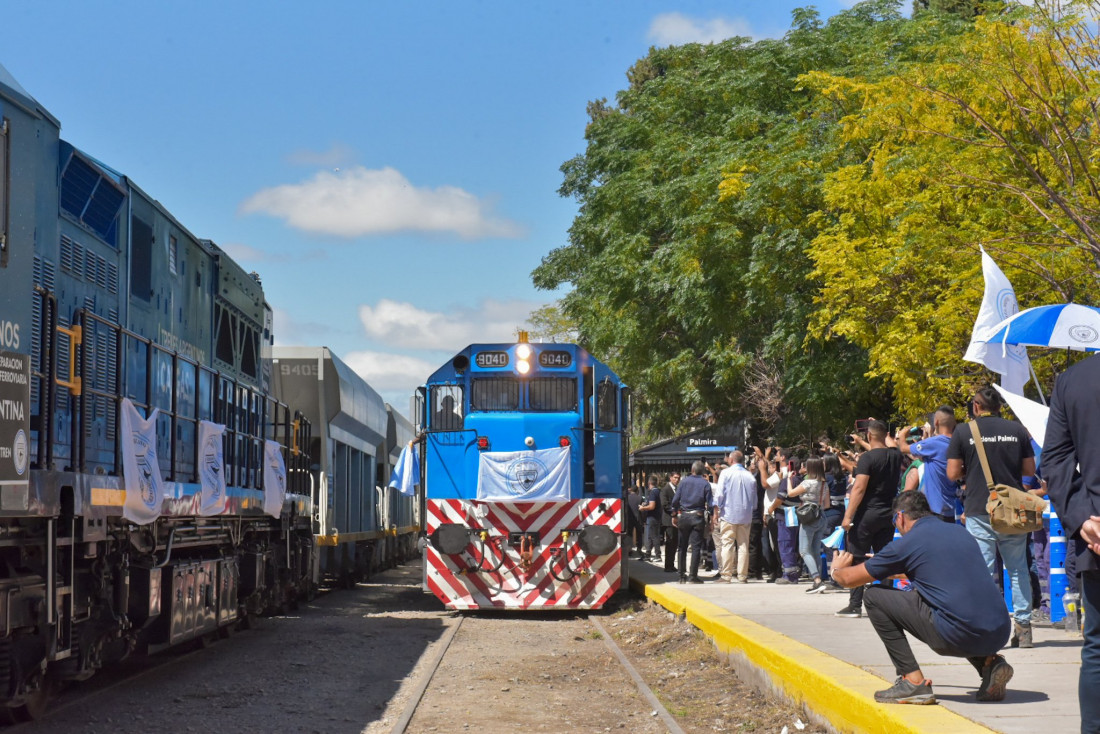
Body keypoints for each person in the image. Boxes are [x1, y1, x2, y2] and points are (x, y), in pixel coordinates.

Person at [831, 491, 1013, 705]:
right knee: (950, 604)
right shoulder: (960, 533)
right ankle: (989, 663)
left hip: (956, 635)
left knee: (873, 596)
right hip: (999, 632)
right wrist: (884, 566)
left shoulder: (907, 543)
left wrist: (836, 569)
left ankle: (913, 681)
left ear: (899, 517)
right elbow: (931, 571)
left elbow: (849, 579)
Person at [947, 386, 1036, 648]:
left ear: (976, 406)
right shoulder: (1016, 430)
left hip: (979, 507)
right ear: (999, 406)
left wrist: (971, 469)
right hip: (1013, 507)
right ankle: (1024, 628)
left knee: (984, 569)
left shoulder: (964, 431)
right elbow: (1029, 469)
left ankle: (985, 626)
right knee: (1018, 568)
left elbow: (952, 473)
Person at [1042, 352, 1100, 732]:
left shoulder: (1074, 380)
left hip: (1095, 532)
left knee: (1097, 650)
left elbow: (1055, 460)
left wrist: (1082, 518)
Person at [837, 420, 901, 617]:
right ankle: (886, 604)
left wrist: (848, 517)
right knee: (885, 557)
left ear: (869, 436)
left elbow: (859, 487)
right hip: (888, 513)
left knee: (856, 556)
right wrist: (879, 428)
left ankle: (855, 604)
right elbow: (890, 444)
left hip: (867, 514)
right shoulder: (896, 455)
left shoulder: (867, 458)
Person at [897, 407, 959, 523]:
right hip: (951, 509)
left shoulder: (934, 443)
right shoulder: (958, 443)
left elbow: (903, 448)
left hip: (935, 511)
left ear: (936, 422)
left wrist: (901, 436)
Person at [714, 451, 756, 583]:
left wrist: (716, 510)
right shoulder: (750, 476)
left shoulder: (726, 473)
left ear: (731, 460)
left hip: (729, 513)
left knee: (727, 544)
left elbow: (719, 494)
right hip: (746, 515)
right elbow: (754, 501)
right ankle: (742, 575)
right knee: (743, 545)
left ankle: (726, 575)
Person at [789, 457, 830, 594]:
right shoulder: (824, 483)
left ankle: (817, 580)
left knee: (804, 550)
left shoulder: (808, 483)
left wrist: (789, 480)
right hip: (821, 516)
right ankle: (819, 581)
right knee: (815, 550)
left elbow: (791, 493)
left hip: (809, 517)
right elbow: (827, 504)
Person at [670, 461, 713, 583]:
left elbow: (675, 501)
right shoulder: (705, 484)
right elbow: (710, 504)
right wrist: (711, 519)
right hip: (698, 517)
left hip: (684, 516)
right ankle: (693, 576)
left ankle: (681, 576)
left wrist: (674, 514)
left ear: (692, 470)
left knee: (682, 547)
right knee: (696, 547)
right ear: (702, 472)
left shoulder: (683, 482)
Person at [660, 473, 681, 573]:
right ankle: (668, 565)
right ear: (671, 478)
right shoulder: (665, 489)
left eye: (678, 478)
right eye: (675, 478)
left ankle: (671, 564)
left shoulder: (677, 489)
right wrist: (673, 513)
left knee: (674, 543)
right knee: (670, 542)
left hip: (676, 519)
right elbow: (665, 504)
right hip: (669, 520)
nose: (677, 480)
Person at [639, 476, 662, 562]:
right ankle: (647, 554)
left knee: (654, 536)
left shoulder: (653, 492)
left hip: (652, 517)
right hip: (656, 516)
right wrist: (646, 503)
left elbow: (652, 506)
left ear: (649, 483)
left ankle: (657, 555)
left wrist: (643, 508)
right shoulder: (658, 491)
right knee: (650, 536)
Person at [626, 482, 644, 558]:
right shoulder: (640, 498)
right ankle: (639, 549)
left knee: (629, 534)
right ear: (637, 491)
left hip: (629, 518)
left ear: (630, 490)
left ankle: (629, 550)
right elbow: (642, 508)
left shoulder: (627, 498)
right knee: (639, 534)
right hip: (638, 518)